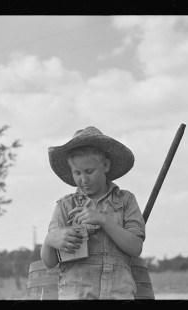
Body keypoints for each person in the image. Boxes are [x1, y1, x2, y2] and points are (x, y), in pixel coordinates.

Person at [40, 126, 146, 300]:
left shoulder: (126, 200)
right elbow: (49, 262)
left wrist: (103, 220)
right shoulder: (65, 206)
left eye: (89, 171)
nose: (83, 179)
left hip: (119, 292)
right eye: (77, 173)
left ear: (105, 165)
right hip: (75, 293)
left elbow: (135, 248)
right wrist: (49, 241)